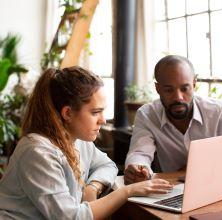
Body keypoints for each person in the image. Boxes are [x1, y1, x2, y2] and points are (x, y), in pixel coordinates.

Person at [0, 67, 172, 219]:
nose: (103, 120)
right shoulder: (38, 153)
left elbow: (107, 165)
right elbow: (71, 218)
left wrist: (92, 187)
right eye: (95, 112)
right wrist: (127, 191)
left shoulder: (77, 140)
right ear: (67, 113)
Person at [124, 55, 222, 185]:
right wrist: (138, 169)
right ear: (158, 88)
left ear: (194, 84)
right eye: (168, 90)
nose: (178, 97)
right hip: (172, 190)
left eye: (184, 88)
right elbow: (140, 153)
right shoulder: (147, 115)